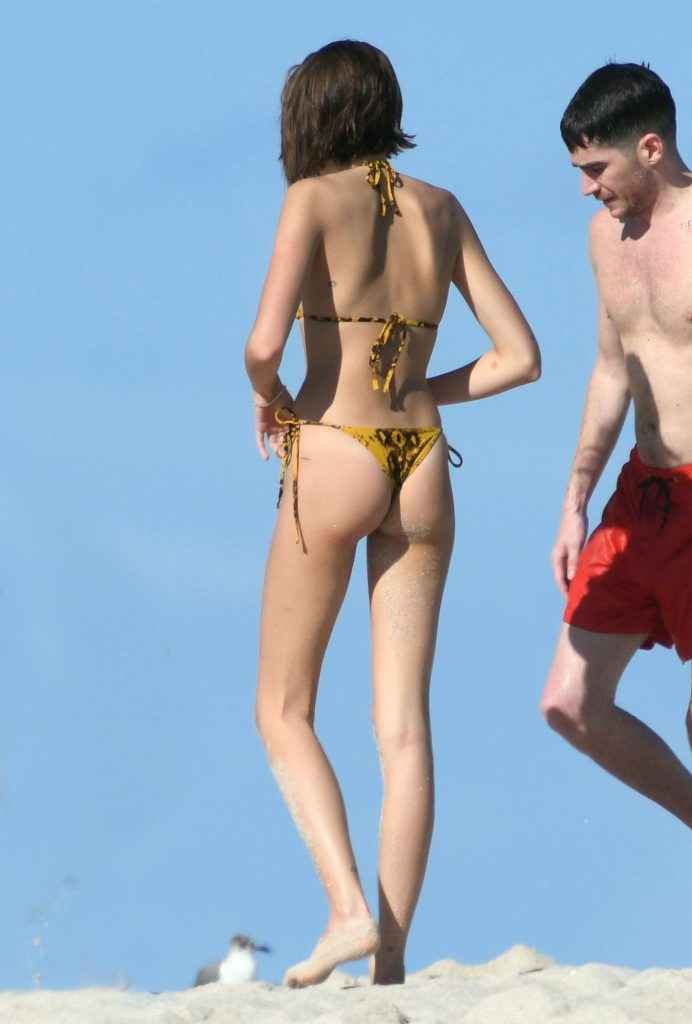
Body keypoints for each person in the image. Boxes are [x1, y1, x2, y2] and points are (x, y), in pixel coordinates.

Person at [245, 39, 540, 988]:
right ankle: (393, 965)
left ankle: (346, 911)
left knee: (282, 707)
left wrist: (272, 397)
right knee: (404, 724)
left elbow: (260, 345)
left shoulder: (311, 199)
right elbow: (520, 356)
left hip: (335, 450)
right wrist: (420, 390)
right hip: (421, 465)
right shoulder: (441, 208)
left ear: (311, 115)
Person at [542, 63, 692, 829]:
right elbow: (611, 370)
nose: (585, 188)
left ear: (651, 148)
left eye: (596, 168)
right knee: (569, 704)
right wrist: (575, 503)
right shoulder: (605, 238)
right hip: (642, 500)